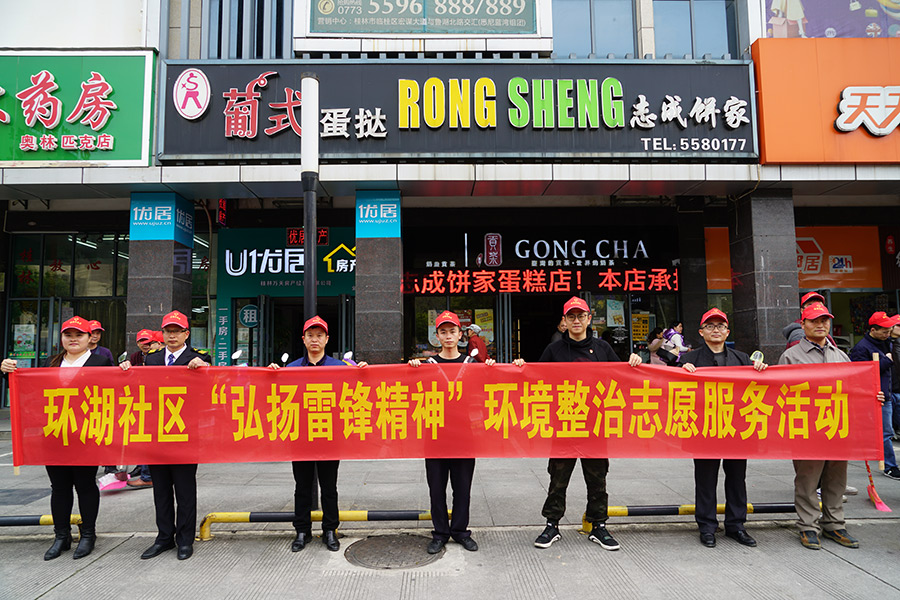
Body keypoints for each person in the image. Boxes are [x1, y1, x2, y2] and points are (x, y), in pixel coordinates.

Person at [532, 296, 642, 551]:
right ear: (564, 320)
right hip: (564, 425)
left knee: (597, 478)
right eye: (571, 316)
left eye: (581, 316)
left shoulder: (603, 349)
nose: (576, 321)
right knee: (558, 479)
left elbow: (621, 376)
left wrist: (634, 363)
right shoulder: (554, 350)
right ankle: (551, 524)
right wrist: (519, 366)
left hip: (595, 425)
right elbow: (535, 379)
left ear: (589, 318)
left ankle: (598, 525)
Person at [1, 316, 113, 560]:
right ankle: (61, 536)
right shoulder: (50, 362)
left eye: (79, 335)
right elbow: (29, 389)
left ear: (89, 337)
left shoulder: (101, 362)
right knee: (59, 487)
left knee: (85, 485)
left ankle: (88, 535)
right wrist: (8, 372)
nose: (73, 339)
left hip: (85, 436)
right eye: (68, 335)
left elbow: (115, 392)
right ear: (61, 338)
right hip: (54, 434)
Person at [408, 311, 515, 554]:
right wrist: (412, 369)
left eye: (452, 331)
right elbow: (409, 393)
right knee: (436, 490)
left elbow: (494, 388)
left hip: (465, 436)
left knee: (462, 489)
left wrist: (501, 368)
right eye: (443, 332)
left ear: (460, 335)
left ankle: (460, 531)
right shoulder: (426, 366)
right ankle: (440, 533)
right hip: (435, 436)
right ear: (436, 336)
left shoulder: (473, 365)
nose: (448, 336)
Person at [779, 302, 883, 550]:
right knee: (807, 481)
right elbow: (780, 395)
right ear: (803, 324)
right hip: (806, 430)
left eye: (824, 320)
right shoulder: (791, 356)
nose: (820, 325)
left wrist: (872, 397)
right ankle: (808, 526)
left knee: (836, 479)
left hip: (837, 427)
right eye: (814, 321)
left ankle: (834, 524)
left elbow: (853, 390)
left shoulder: (841, 355)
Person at [268, 315, 367, 553]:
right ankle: (302, 531)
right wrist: (271, 374)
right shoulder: (291, 369)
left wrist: (363, 371)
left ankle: (330, 530)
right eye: (310, 335)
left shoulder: (340, 368)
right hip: (300, 437)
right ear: (303, 339)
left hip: (328, 435)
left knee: (329, 487)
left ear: (327, 339)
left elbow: (358, 393)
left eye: (319, 335)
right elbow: (276, 399)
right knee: (302, 486)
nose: (315, 340)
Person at [121, 310, 211, 560]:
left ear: (186, 334)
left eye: (177, 331)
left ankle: (185, 540)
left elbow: (211, 386)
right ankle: (164, 538)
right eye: (168, 331)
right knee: (160, 489)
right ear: (162, 334)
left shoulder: (199, 358)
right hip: (157, 433)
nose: (172, 336)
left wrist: (204, 368)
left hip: (185, 434)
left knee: (185, 490)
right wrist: (126, 370)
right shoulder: (152, 359)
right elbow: (139, 388)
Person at [680, 308, 767, 548]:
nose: (715, 330)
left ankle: (736, 525)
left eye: (720, 326)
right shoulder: (689, 360)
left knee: (737, 478)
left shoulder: (743, 359)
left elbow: (758, 388)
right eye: (710, 326)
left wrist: (761, 370)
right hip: (704, 429)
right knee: (705, 480)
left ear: (728, 331)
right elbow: (674, 389)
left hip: (736, 429)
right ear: (701, 332)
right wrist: (681, 373)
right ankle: (707, 527)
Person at [849, 311, 900, 480]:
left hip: (891, 392)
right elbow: (860, 375)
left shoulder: (888, 343)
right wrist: (886, 361)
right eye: (884, 331)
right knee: (886, 432)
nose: (887, 334)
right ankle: (890, 466)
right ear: (873, 330)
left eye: (889, 330)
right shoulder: (862, 348)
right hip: (878, 396)